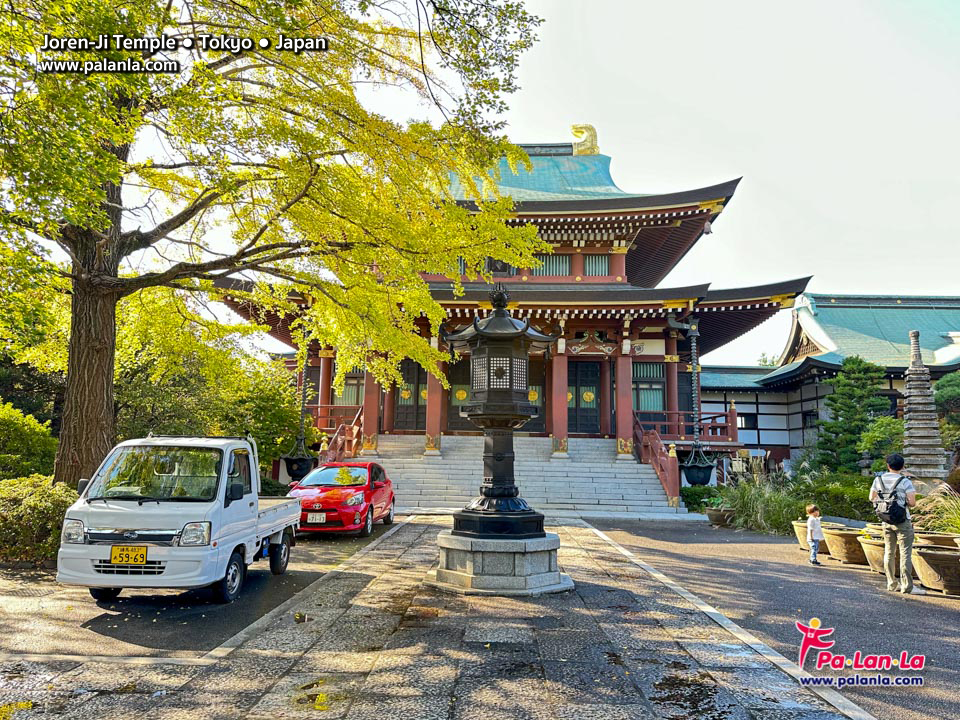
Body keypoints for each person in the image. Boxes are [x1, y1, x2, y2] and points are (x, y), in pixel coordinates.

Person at [870, 453, 924, 595]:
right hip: (902, 521)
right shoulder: (905, 481)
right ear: (903, 466)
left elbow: (871, 498)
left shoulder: (878, 480)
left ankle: (891, 583)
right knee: (905, 553)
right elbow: (912, 503)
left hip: (886, 520)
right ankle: (907, 586)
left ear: (888, 465)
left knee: (889, 551)